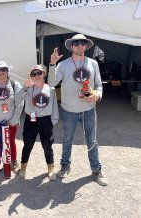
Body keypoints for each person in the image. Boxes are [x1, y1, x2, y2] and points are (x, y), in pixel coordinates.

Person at [48, 33, 107, 186]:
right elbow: (52, 82)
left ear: (86, 46)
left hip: (88, 109)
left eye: (82, 43)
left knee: (92, 140)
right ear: (71, 46)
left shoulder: (93, 63)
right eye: (76, 43)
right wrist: (52, 64)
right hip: (69, 110)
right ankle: (65, 166)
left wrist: (97, 96)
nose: (79, 45)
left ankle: (96, 170)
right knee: (67, 140)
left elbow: (99, 85)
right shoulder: (63, 64)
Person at [17, 65, 59, 180]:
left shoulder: (50, 88)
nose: (36, 76)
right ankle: (23, 167)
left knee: (47, 146)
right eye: (33, 74)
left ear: (44, 74)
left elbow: (55, 105)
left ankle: (51, 168)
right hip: (31, 119)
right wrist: (25, 87)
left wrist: (53, 121)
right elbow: (17, 99)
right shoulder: (28, 88)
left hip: (45, 120)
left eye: (39, 73)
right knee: (27, 144)